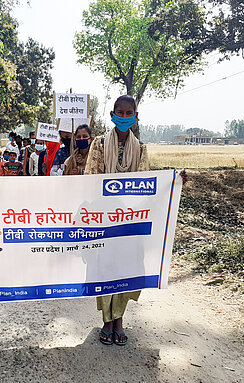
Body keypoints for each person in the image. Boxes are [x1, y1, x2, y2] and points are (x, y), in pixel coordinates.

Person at [85, 95, 149, 346]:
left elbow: (145, 185)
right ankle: (107, 321)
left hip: (129, 219)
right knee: (105, 267)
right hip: (104, 217)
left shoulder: (141, 148)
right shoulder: (99, 145)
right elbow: (91, 180)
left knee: (125, 267)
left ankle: (119, 320)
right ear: (112, 115)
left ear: (135, 115)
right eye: (119, 113)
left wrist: (175, 182)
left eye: (128, 113)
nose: (123, 117)